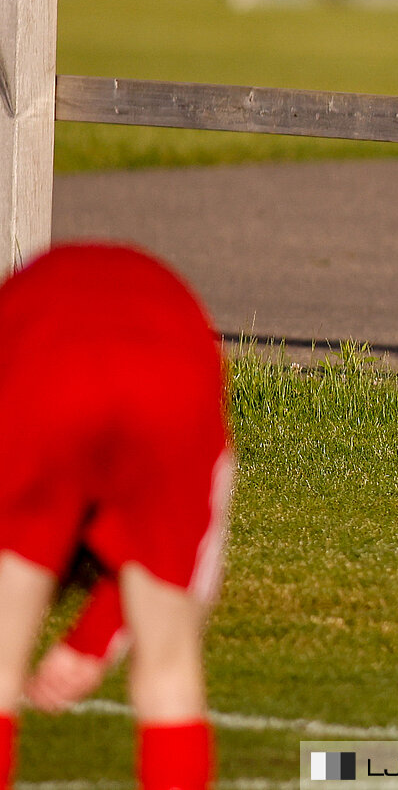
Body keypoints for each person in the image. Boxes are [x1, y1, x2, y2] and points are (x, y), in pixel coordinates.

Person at [0, 243, 232, 790]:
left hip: (42, 367)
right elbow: (189, 551)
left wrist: (92, 636)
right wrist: (95, 640)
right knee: (170, 672)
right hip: (172, 371)